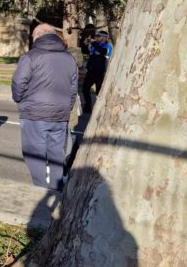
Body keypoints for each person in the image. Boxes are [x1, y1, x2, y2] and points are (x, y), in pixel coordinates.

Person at [12, 23, 78, 190]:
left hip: (34, 114)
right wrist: (66, 108)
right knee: (57, 155)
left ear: (39, 35)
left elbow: (18, 83)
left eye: (33, 36)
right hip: (60, 115)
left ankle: (40, 191)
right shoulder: (69, 58)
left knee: (35, 156)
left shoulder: (30, 57)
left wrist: (19, 100)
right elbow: (73, 88)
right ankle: (56, 189)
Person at [81, 30, 113, 113]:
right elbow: (90, 53)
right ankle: (88, 106)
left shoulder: (108, 45)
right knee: (85, 88)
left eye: (98, 36)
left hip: (101, 71)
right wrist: (85, 44)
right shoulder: (95, 44)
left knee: (99, 91)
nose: (96, 38)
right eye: (96, 36)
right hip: (91, 70)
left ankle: (99, 109)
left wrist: (94, 43)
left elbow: (103, 52)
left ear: (104, 37)